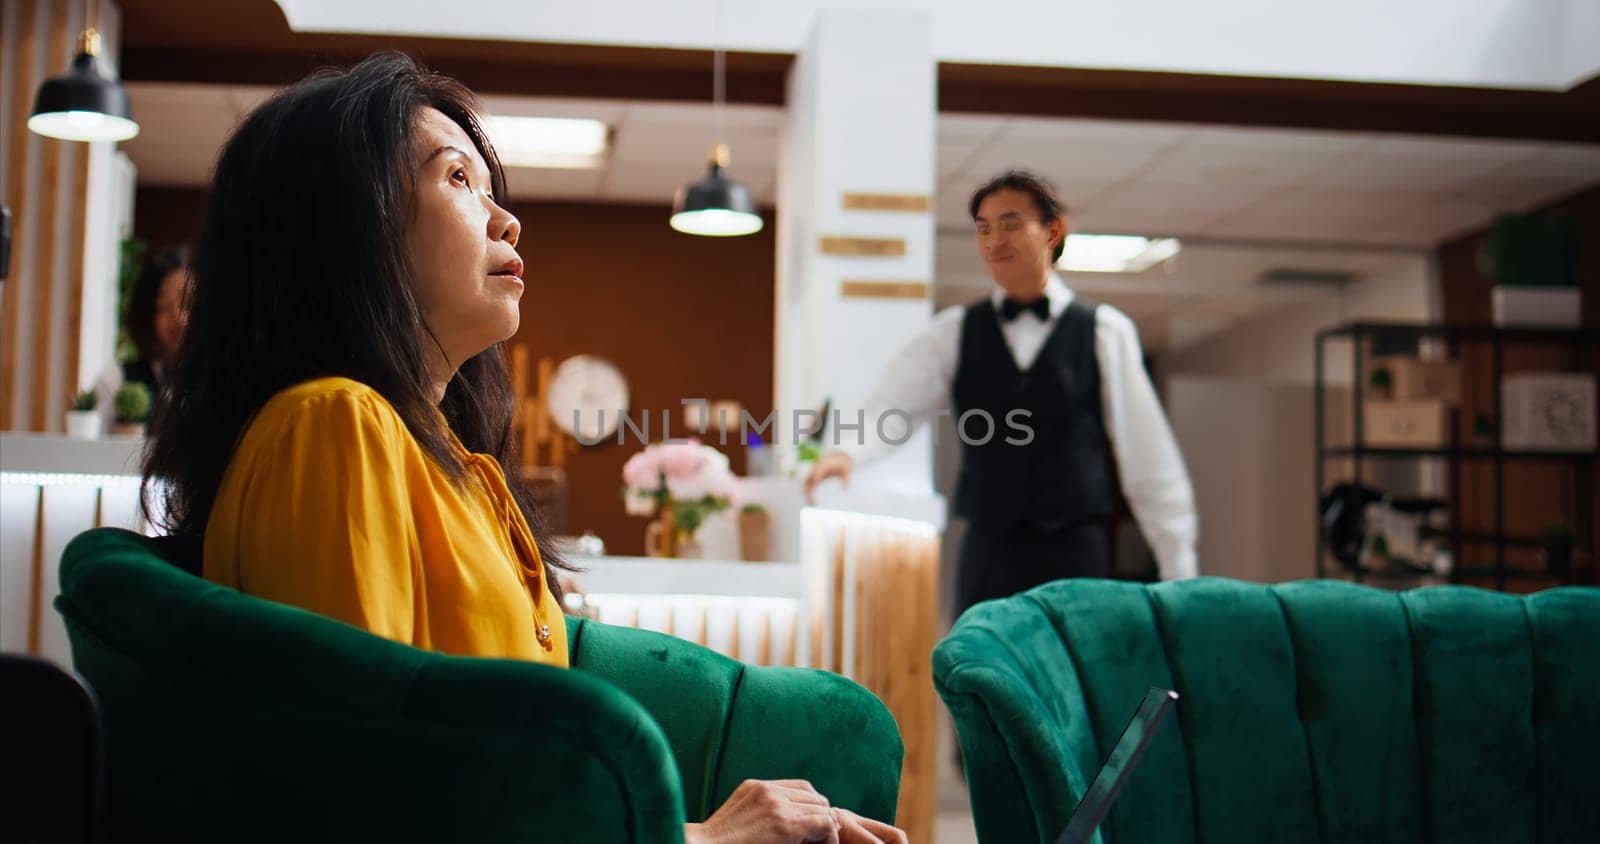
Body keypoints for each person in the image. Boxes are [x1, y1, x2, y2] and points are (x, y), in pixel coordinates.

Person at [140, 53, 903, 844]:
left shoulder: (434, 447)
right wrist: (701, 838)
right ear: (346, 224)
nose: (507, 219)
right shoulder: (332, 425)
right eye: (459, 181)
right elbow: (371, 792)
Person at [806, 170, 1198, 620]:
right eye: (983, 228)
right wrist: (845, 453)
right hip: (988, 550)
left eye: (1010, 225)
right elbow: (893, 404)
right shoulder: (954, 331)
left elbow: (1147, 455)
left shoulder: (1105, 332)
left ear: (1053, 231)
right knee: (977, 674)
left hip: (1074, 552)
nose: (994, 241)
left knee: (1068, 680)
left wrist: (1177, 564)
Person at [122, 243, 191, 397]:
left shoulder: (227, 381)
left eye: (188, 303)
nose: (179, 319)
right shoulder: (118, 382)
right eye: (163, 307)